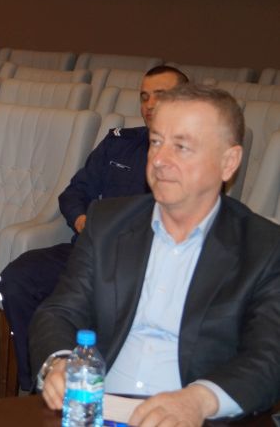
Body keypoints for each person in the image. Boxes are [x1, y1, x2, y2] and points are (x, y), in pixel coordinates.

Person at [31, 84, 280, 425]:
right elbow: (60, 311)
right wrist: (60, 362)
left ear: (228, 162)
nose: (160, 160)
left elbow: (269, 357)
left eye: (181, 146)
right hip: (97, 407)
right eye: (156, 141)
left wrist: (200, 400)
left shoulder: (264, 247)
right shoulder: (108, 223)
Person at [0, 65, 187, 391]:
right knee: (17, 278)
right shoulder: (119, 144)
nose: (150, 104)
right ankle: (40, 384)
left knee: (106, 305)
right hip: (89, 252)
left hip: (143, 266)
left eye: (161, 95)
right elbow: (74, 193)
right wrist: (81, 220)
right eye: (144, 97)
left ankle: (106, 385)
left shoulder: (191, 159)